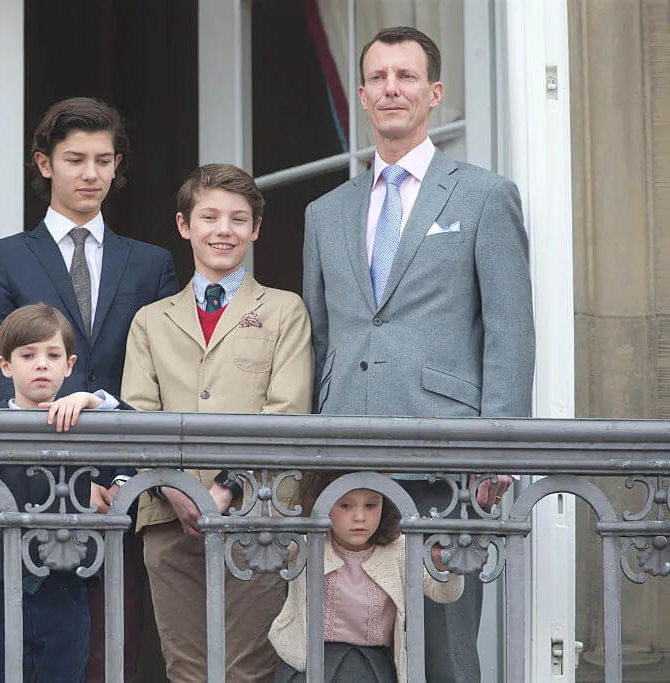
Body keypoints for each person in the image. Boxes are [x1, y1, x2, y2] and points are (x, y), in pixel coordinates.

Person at [302, 26, 536, 683]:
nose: (391, 89)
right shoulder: (325, 212)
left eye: (405, 76)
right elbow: (320, 335)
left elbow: (510, 329)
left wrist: (498, 449)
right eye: (377, 78)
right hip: (346, 465)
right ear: (363, 95)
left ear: (434, 93)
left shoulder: (483, 195)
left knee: (444, 651)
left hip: (446, 462)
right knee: (348, 651)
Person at [0, 96, 178, 683]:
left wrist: (121, 478)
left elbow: (155, 379)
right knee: (27, 662)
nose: (91, 174)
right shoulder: (3, 258)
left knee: (113, 657)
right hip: (28, 491)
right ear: (44, 163)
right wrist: (49, 476)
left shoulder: (152, 263)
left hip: (119, 490)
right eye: (75, 159)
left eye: (104, 161)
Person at [121, 163, 314, 683]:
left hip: (258, 513)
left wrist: (226, 489)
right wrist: (179, 488)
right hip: (169, 516)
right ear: (184, 225)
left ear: (256, 229)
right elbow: (138, 416)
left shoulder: (284, 310)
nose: (223, 230)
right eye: (209, 217)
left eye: (238, 219)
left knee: (246, 669)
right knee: (186, 669)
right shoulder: (151, 320)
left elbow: (287, 411)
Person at [0, 303, 132, 683]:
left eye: (53, 355)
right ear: (5, 365)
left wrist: (93, 400)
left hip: (67, 584)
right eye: (28, 355)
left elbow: (140, 434)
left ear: (70, 364)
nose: (42, 365)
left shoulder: (86, 424)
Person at [268, 472, 464, 683]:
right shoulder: (305, 544)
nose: (359, 517)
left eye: (371, 505)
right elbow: (265, 540)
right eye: (345, 506)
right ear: (324, 503)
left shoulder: (399, 548)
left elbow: (445, 594)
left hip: (373, 667)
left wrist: (442, 562)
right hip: (309, 664)